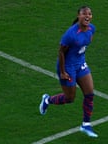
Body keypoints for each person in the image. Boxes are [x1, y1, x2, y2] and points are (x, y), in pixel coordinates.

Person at [39, 6, 98, 138]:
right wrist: (63, 71)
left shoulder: (91, 29)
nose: (87, 16)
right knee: (69, 98)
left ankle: (86, 124)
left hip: (80, 64)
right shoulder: (70, 34)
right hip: (68, 67)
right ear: (78, 16)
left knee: (90, 93)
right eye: (84, 14)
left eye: (89, 14)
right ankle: (47, 100)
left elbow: (84, 45)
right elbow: (61, 52)